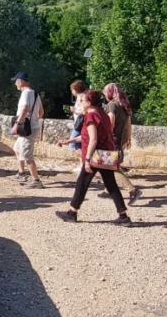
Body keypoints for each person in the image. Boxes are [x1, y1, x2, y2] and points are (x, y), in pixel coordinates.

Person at [56, 89, 131, 225]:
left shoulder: (91, 116)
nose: (81, 103)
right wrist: (70, 141)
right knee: (111, 184)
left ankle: (72, 213)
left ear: (89, 103)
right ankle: (123, 216)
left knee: (82, 183)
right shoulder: (102, 113)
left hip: (95, 155)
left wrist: (87, 159)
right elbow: (88, 136)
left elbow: (93, 139)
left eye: (83, 101)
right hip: (105, 155)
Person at [103, 83, 140, 203]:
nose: (104, 95)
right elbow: (128, 124)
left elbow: (110, 123)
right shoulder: (124, 106)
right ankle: (108, 189)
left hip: (113, 141)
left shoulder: (112, 105)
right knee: (108, 166)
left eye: (105, 92)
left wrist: (104, 138)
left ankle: (132, 190)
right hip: (121, 140)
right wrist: (128, 138)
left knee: (112, 167)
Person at [9, 72, 44, 189]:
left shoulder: (25, 93)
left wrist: (17, 125)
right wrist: (34, 120)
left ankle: (36, 180)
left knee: (27, 155)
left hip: (27, 129)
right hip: (31, 127)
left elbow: (24, 109)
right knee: (17, 148)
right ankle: (21, 173)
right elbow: (41, 112)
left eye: (16, 81)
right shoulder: (35, 94)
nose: (15, 83)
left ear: (22, 81)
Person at [59, 80, 88, 173]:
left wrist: (74, 110)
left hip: (79, 125)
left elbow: (84, 111)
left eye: (72, 89)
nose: (72, 91)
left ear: (75, 89)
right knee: (80, 145)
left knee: (73, 144)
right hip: (81, 124)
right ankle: (82, 165)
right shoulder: (84, 95)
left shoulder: (80, 97)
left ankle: (87, 161)